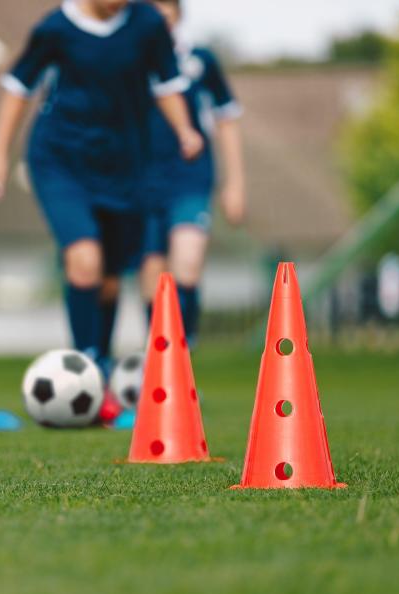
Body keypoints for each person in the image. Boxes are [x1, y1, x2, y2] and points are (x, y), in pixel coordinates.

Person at [0, 0, 204, 380]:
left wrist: (184, 129)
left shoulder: (147, 23)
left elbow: (166, 84)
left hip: (123, 164)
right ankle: (86, 367)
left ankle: (101, 361)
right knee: (84, 259)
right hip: (60, 160)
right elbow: (19, 88)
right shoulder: (56, 28)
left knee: (110, 276)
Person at [141, 0, 246, 345]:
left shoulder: (200, 61)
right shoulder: (128, 62)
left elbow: (226, 119)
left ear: (178, 14)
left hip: (191, 177)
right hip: (140, 179)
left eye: (165, 11)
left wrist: (235, 183)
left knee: (186, 262)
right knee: (153, 275)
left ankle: (186, 351)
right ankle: (157, 361)